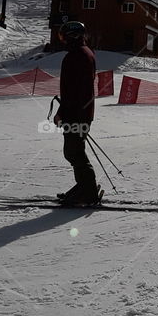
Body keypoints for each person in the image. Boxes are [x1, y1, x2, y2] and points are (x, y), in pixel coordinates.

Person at [53, 21, 102, 206]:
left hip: (77, 113)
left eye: (63, 36)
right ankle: (83, 186)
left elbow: (74, 91)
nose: (62, 40)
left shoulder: (77, 56)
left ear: (72, 36)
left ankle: (88, 191)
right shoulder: (84, 53)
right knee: (74, 151)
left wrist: (63, 113)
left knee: (74, 151)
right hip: (80, 111)